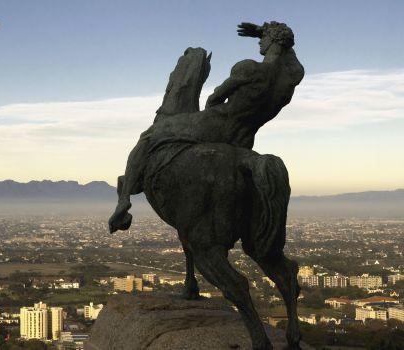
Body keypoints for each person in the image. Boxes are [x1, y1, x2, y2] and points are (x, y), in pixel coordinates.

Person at [109, 22, 304, 233]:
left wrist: (211, 111)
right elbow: (289, 55)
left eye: (263, 38)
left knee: (149, 136)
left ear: (273, 40)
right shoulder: (291, 77)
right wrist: (272, 35)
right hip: (245, 137)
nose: (260, 41)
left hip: (216, 124)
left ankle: (124, 201)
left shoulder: (248, 68)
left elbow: (215, 98)